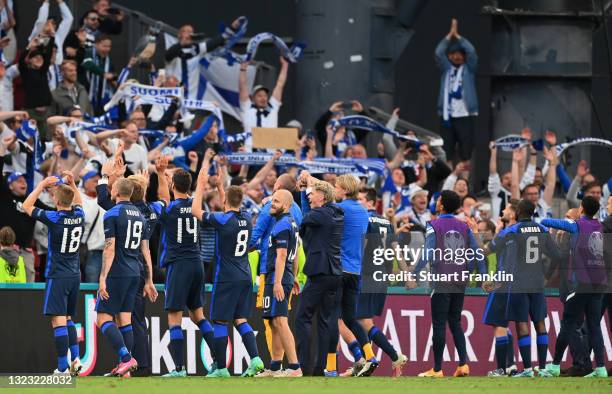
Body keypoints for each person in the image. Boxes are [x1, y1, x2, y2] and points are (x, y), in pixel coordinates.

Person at [192, 157, 263, 378]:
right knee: (241, 319)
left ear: (226, 202)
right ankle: (256, 359)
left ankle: (221, 368)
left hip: (227, 276)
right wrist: (222, 187)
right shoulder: (245, 218)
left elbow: (196, 211)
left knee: (220, 320)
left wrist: (201, 185)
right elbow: (229, 207)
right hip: (245, 275)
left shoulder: (223, 220)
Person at [150, 163, 216, 377]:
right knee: (198, 315)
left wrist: (160, 173)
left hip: (178, 265)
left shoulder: (170, 208)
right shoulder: (196, 206)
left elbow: (162, 199)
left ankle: (178, 368)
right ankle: (221, 363)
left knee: (174, 317)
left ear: (172, 185)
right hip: (197, 264)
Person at [411, 190, 486, 377]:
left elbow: (427, 253)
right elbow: (476, 253)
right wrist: (483, 276)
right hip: (460, 281)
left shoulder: (433, 225)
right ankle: (463, 365)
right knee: (455, 322)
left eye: (438, 200)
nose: (436, 201)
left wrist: (413, 273)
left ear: (441, 205)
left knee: (439, 324)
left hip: (441, 279)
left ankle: (437, 369)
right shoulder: (465, 226)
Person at [489, 199, 561, 377]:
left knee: (522, 324)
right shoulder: (542, 230)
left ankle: (528, 369)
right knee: (540, 323)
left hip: (518, 283)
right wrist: (546, 275)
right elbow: (557, 256)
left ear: (518, 211)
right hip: (537, 282)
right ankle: (543, 369)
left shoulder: (512, 230)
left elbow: (492, 248)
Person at [21, 172, 84, 375]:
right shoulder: (79, 216)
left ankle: (62, 368)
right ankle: (75, 359)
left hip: (58, 274)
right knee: (67, 318)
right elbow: (80, 202)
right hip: (75, 275)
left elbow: (26, 207)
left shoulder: (54, 217)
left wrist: (40, 186)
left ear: (56, 200)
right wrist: (73, 184)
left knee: (57, 320)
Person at [541, 196, 609, 378]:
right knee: (595, 326)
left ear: (581, 208)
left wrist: (557, 222)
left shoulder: (577, 225)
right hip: (599, 284)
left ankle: (554, 366)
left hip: (581, 284)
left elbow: (546, 221)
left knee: (568, 324)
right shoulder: (601, 227)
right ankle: (601, 368)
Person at [95, 178, 152, 377]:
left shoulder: (112, 214)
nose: (110, 189)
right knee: (125, 320)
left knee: (102, 319)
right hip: (134, 273)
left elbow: (109, 248)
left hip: (117, 272)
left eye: (112, 187)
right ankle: (125, 370)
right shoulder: (140, 216)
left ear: (117, 191)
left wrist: (102, 277)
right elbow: (146, 251)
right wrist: (149, 279)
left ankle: (127, 359)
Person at [294, 177, 343, 376]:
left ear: (322, 196)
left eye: (311, 193)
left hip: (319, 272)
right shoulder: (337, 212)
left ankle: (304, 366)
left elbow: (301, 220)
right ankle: (319, 367)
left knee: (302, 317)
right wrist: (306, 189)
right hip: (334, 273)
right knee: (323, 320)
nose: (308, 195)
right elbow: (307, 218)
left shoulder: (320, 215)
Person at [356, 187, 408, 376]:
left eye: (361, 199)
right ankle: (365, 363)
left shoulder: (364, 219)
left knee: (360, 321)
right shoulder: (386, 222)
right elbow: (396, 250)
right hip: (381, 278)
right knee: (363, 320)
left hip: (366, 275)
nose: (358, 202)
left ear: (370, 202)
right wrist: (407, 275)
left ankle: (394, 356)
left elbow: (363, 248)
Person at [259, 189, 302, 377]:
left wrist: (278, 282)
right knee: (275, 321)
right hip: (282, 277)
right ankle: (275, 367)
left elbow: (283, 255)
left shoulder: (283, 225)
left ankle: (295, 367)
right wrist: (293, 276)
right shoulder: (289, 223)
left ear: (285, 205)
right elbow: (297, 251)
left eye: (275, 201)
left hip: (277, 278)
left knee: (281, 321)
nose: (272, 204)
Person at [480, 200, 520, 376]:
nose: (502, 210)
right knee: (504, 324)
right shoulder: (521, 232)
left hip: (502, 284)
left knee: (498, 325)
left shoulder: (507, 233)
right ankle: (510, 365)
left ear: (512, 213)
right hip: (518, 284)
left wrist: (472, 235)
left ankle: (502, 369)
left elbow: (485, 251)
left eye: (506, 208)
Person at [435, 18, 478, 166]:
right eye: (454, 54)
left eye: (460, 54)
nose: (457, 56)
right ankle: (448, 183)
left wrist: (458, 36)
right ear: (449, 56)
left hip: (464, 115)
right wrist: (449, 36)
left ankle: (464, 183)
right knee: (446, 151)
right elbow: (438, 52)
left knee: (466, 152)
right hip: (447, 116)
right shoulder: (446, 69)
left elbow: (472, 51)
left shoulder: (469, 69)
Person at [238, 57, 289, 140]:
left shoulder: (272, 107)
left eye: (265, 95)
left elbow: (280, 84)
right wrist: (243, 69)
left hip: (270, 151)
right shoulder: (247, 108)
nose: (263, 98)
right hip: (250, 151)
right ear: (253, 98)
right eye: (259, 96)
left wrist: (285, 66)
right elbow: (242, 86)